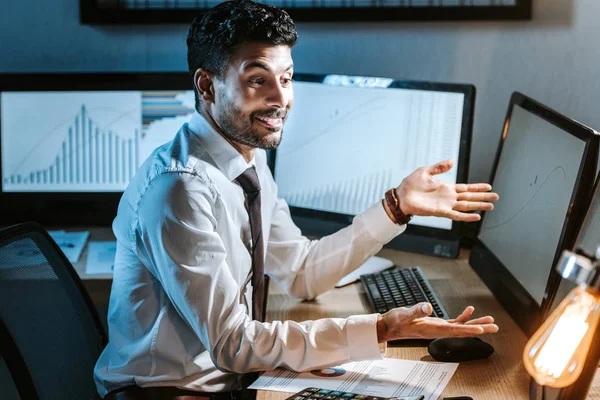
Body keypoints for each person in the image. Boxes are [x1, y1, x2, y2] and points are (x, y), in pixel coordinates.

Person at [94, 1, 499, 398]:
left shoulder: (246, 162)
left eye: (286, 79)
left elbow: (302, 273)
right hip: (169, 392)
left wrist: (396, 207)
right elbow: (233, 344)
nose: (280, 99)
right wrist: (381, 329)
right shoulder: (179, 190)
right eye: (258, 80)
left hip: (231, 379)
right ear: (207, 85)